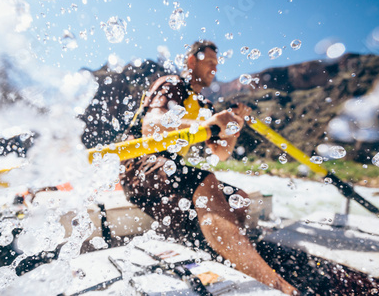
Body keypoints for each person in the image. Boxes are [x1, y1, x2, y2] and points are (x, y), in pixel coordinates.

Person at [119, 41, 298, 295]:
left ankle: (220, 248)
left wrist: (234, 127)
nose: (214, 69)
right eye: (209, 63)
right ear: (191, 62)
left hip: (170, 170)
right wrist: (211, 122)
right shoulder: (171, 84)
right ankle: (274, 283)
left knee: (240, 200)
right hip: (138, 165)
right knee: (206, 180)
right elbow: (152, 127)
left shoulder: (204, 104)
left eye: (216, 64)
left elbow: (222, 152)